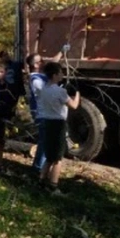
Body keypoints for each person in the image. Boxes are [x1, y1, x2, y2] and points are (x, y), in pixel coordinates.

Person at [38, 61, 80, 196]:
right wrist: (77, 94)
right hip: (58, 125)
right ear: (55, 75)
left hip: (47, 123)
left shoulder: (44, 89)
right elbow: (73, 105)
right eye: (60, 73)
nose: (62, 75)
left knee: (49, 156)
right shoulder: (60, 91)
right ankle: (53, 187)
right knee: (58, 158)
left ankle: (41, 180)